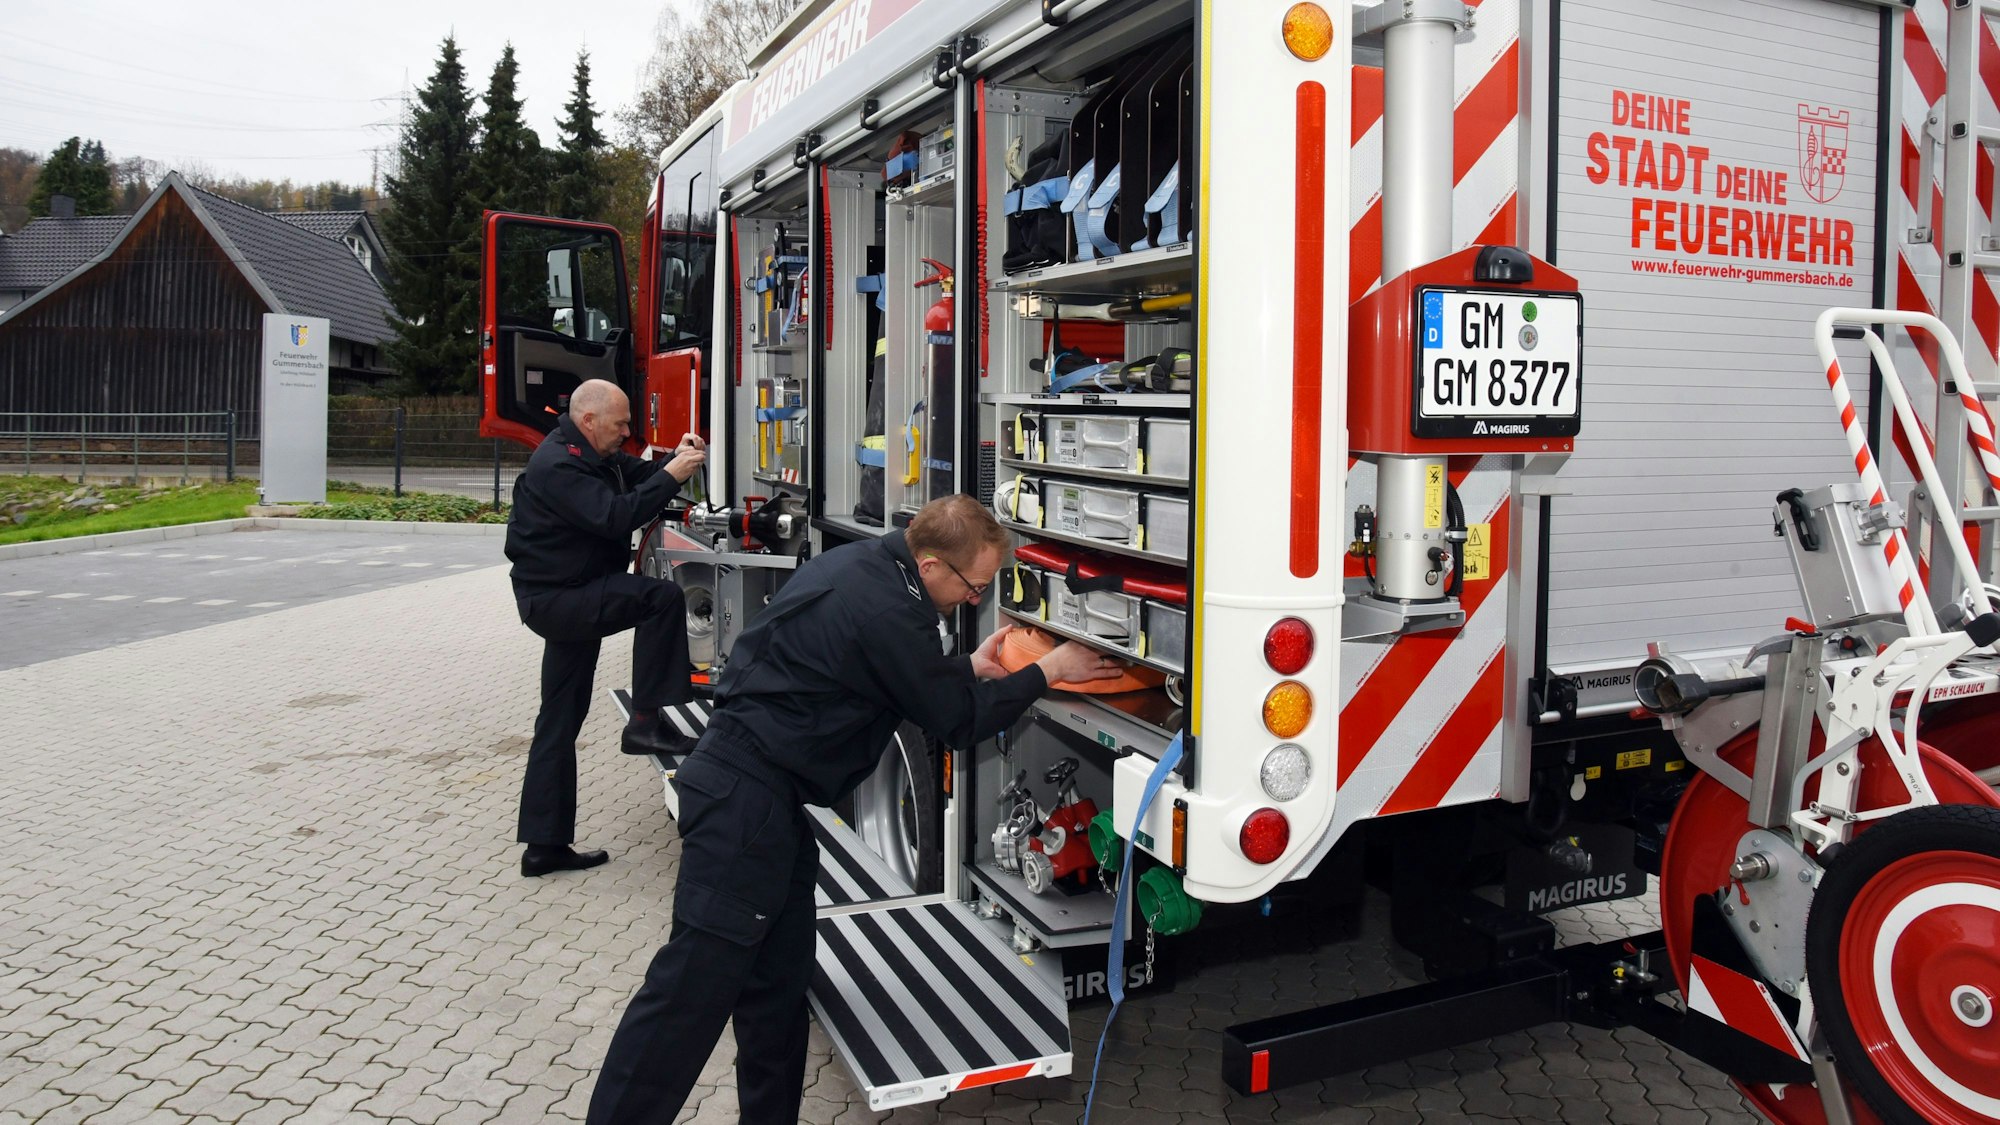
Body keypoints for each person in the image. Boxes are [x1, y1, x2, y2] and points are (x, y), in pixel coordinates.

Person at [585, 495, 1124, 1124]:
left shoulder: (868, 568)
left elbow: (884, 670)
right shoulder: (894, 610)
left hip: (765, 804)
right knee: (685, 999)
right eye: (973, 586)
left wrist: (962, 668)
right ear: (930, 565)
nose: (974, 599)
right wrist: (1047, 672)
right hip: (744, 808)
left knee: (778, 994)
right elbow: (956, 723)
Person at [505, 378, 709, 878]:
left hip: (573, 592)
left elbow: (646, 475)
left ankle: (543, 848)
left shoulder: (597, 453)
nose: (626, 432)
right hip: (559, 599)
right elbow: (615, 517)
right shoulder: (557, 465)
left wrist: (676, 459)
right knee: (660, 599)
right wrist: (671, 476)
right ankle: (645, 723)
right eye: (620, 424)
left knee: (559, 720)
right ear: (589, 420)